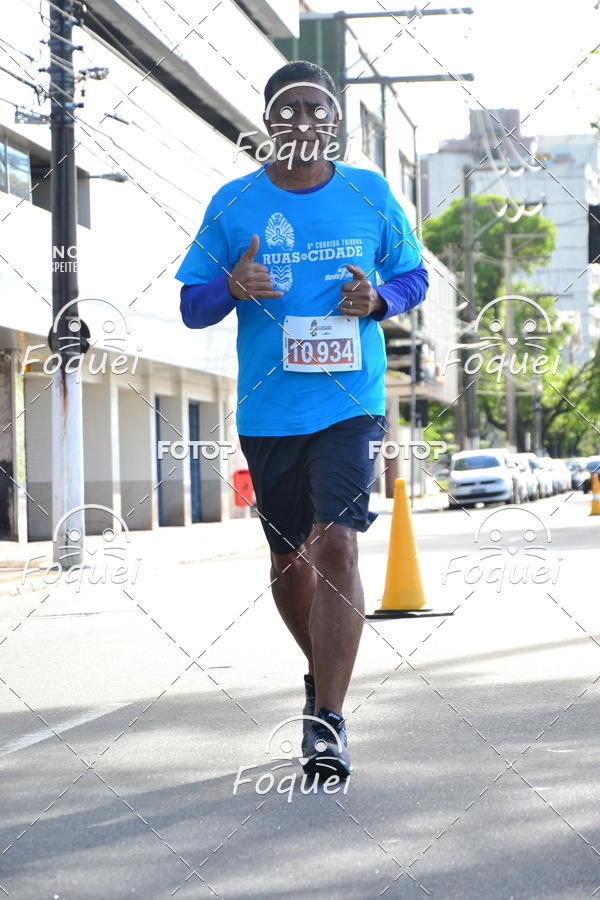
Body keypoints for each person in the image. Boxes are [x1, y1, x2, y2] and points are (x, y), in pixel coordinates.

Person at [176, 60, 428, 779]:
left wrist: (378, 300)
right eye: (288, 111)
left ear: (335, 122)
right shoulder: (234, 204)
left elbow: (414, 277)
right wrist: (230, 286)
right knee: (290, 561)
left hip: (350, 402)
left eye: (317, 110)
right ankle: (321, 677)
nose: (304, 122)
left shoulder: (368, 193)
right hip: (270, 408)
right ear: (268, 124)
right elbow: (192, 306)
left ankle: (328, 722)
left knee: (338, 547)